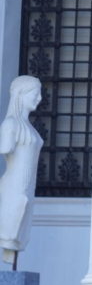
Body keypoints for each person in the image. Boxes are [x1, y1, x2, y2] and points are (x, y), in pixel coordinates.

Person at [0, 75, 44, 265]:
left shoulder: (30, 129)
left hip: (27, 188)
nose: (39, 98)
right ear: (20, 95)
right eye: (35, 93)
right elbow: (5, 148)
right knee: (10, 232)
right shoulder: (11, 124)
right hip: (13, 188)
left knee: (19, 236)